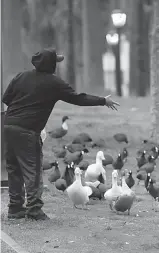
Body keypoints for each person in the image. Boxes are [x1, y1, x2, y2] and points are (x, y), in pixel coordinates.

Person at [2, 48, 120, 220]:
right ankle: (34, 210)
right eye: (55, 62)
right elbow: (78, 98)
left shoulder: (21, 76)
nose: (57, 65)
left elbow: (6, 99)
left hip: (9, 126)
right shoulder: (54, 83)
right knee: (32, 170)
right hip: (27, 131)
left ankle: (15, 209)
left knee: (14, 169)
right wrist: (103, 100)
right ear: (50, 64)